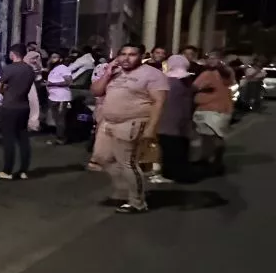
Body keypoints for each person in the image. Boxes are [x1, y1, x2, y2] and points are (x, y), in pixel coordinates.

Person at [90, 43, 168, 213]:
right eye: (123, 54)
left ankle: (137, 202)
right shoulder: (115, 72)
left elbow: (158, 103)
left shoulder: (152, 74)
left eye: (132, 55)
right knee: (102, 158)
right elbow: (96, 91)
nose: (126, 58)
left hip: (132, 122)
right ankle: (125, 191)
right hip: (108, 122)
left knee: (128, 162)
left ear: (141, 57)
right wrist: (107, 73)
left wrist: (151, 129)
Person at [0, 44, 34, 180]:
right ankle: (24, 171)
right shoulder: (29, 69)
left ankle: (7, 171)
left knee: (9, 139)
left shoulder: (9, 68)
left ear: (13, 54)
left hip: (9, 107)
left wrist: (6, 90)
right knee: (23, 139)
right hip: (24, 106)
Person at [153, 54, 195, 184]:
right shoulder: (186, 80)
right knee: (180, 148)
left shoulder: (169, 81)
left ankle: (169, 175)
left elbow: (161, 101)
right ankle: (180, 173)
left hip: (167, 120)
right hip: (183, 119)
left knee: (169, 149)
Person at [191, 50, 234, 175]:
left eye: (214, 58)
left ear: (220, 59)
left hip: (211, 108)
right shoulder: (226, 73)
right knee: (211, 136)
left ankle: (211, 162)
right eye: (209, 58)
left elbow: (194, 87)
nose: (210, 60)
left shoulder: (208, 73)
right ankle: (211, 161)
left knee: (211, 137)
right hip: (219, 109)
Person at [45, 51, 74, 144]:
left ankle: (61, 138)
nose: (52, 59)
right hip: (53, 97)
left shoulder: (63, 68)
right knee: (56, 118)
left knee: (60, 119)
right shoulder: (54, 69)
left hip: (61, 98)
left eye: (55, 57)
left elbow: (68, 82)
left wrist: (52, 84)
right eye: (52, 57)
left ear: (60, 59)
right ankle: (59, 136)